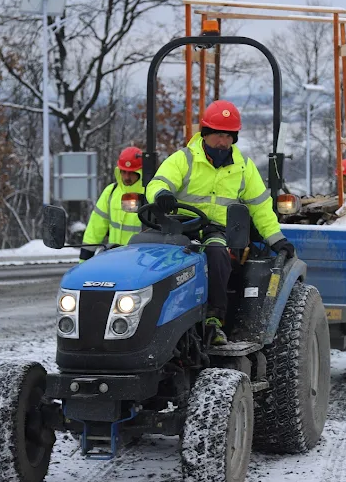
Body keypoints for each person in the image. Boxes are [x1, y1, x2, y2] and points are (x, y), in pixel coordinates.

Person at [145, 100, 295, 345]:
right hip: (179, 225)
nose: (223, 141)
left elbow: (260, 208)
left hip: (216, 230)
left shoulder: (243, 167)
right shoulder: (184, 159)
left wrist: (276, 239)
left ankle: (215, 319)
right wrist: (162, 195)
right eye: (217, 134)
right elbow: (158, 183)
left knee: (216, 253)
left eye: (228, 135)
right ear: (205, 134)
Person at [80, 146, 145, 262]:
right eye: (123, 172)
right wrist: (84, 260)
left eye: (131, 173)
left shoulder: (150, 195)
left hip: (140, 262)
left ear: (140, 172)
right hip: (114, 259)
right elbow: (95, 228)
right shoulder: (111, 192)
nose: (126, 177)